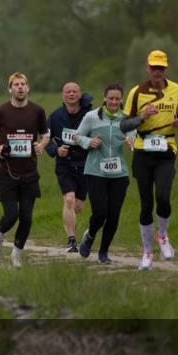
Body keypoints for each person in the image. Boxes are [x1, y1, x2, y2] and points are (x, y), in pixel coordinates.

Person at [125, 50, 178, 269]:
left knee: (163, 195)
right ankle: (147, 253)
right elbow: (124, 125)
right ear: (148, 68)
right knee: (145, 204)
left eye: (161, 68)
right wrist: (142, 117)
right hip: (143, 150)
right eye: (154, 68)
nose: (157, 72)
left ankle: (162, 236)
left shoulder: (177, 89)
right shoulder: (136, 92)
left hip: (167, 148)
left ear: (166, 69)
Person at [0, 72, 49, 268]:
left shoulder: (37, 111)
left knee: (27, 217)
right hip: (7, 172)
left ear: (27, 88)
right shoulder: (1, 111)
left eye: (23, 84)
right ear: (10, 89)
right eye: (16, 84)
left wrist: (41, 145)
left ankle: (16, 253)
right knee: (11, 215)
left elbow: (46, 134)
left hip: (29, 173)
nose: (20, 87)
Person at [73, 84, 141, 264]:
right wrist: (89, 142)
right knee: (101, 211)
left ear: (122, 100)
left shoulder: (127, 119)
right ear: (104, 98)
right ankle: (90, 235)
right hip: (95, 171)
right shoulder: (91, 116)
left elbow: (134, 139)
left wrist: (130, 142)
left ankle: (104, 252)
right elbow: (77, 136)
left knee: (114, 214)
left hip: (119, 173)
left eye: (118, 98)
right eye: (111, 98)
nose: (114, 101)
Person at [45, 82, 94, 252]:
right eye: (68, 92)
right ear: (63, 96)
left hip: (85, 164)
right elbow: (45, 139)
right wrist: (56, 150)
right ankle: (71, 240)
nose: (71, 94)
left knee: (78, 206)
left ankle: (82, 232)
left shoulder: (89, 115)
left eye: (74, 91)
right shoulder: (55, 117)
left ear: (80, 95)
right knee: (69, 199)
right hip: (65, 164)